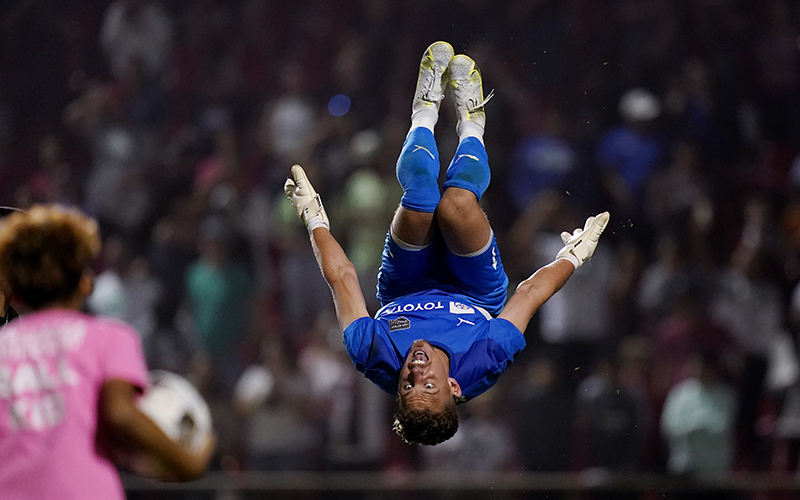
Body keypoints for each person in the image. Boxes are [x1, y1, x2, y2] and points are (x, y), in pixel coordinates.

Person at [284, 41, 610, 446]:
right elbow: (528, 293)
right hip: (473, 289)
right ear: (455, 388)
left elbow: (343, 277)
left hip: (406, 285)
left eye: (406, 388)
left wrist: (313, 215)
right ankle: (472, 124)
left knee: (421, 195)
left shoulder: (373, 356)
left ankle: (424, 108)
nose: (415, 373)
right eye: (429, 386)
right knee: (456, 204)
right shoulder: (483, 362)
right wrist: (573, 257)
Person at [0, 205, 214, 499]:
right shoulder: (109, 338)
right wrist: (189, 462)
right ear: (86, 283)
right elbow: (120, 414)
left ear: (17, 289)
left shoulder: (5, 344)